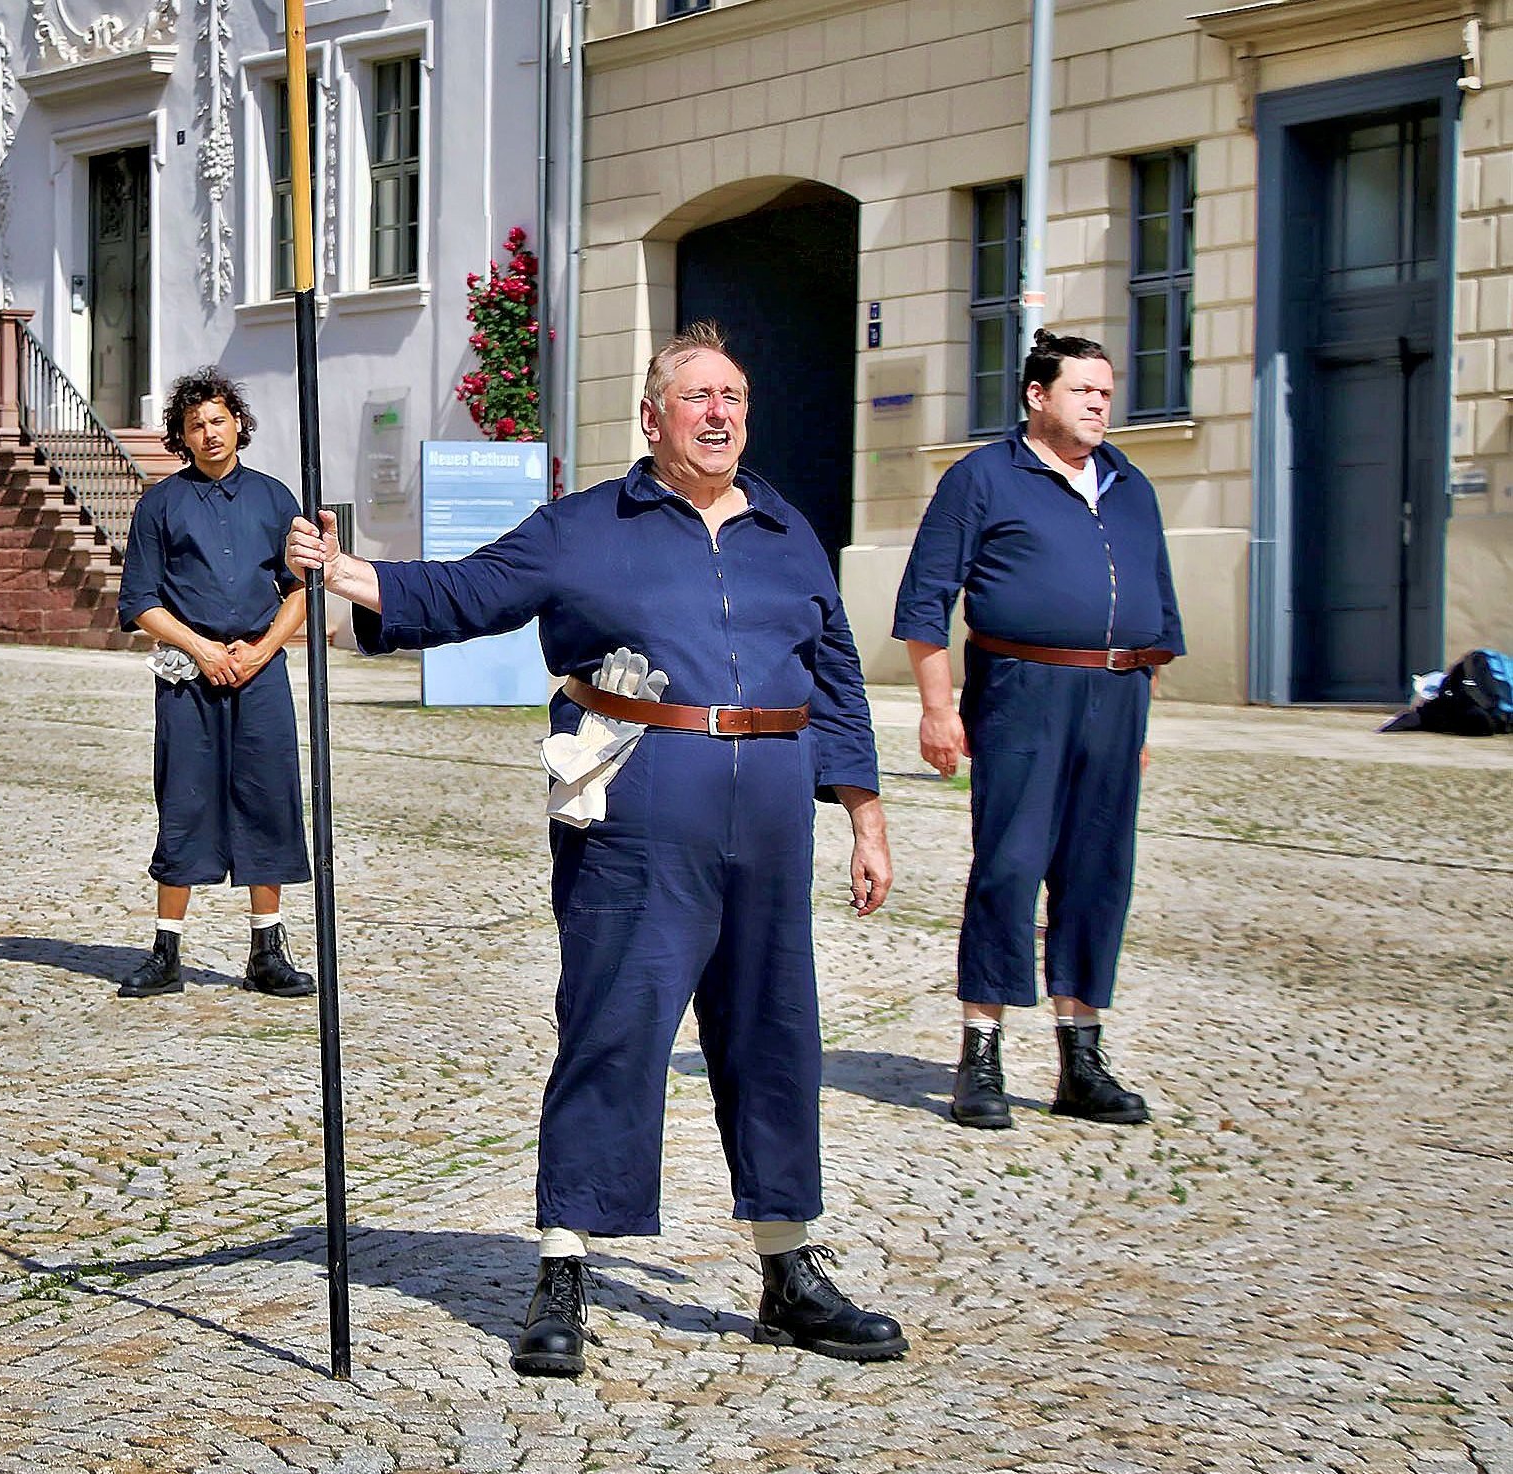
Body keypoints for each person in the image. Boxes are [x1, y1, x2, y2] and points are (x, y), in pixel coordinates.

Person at [286, 321, 907, 1376]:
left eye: (735, 398)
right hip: (636, 814)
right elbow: (470, 592)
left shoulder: (785, 531)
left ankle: (788, 1269)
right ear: (652, 418)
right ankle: (563, 1267)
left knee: (774, 1036)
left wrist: (864, 811)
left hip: (768, 815)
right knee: (612, 1032)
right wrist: (346, 572)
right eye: (699, 397)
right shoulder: (583, 528)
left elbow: (835, 669)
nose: (720, 415)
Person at [893, 330, 1183, 1131]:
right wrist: (939, 707)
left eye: (1105, 391)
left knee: (1099, 874)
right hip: (1022, 691)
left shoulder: (1130, 484)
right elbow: (926, 603)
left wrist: (1143, 719)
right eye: (1082, 390)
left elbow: (1158, 611)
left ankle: (1080, 1059)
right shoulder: (983, 478)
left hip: (1119, 697)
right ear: (1037, 394)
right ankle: (980, 1054)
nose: (1098, 404)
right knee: (1009, 870)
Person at [111, 368, 317, 1002]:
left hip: (260, 673)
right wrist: (199, 648)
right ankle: (166, 951)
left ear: (238, 424)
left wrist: (260, 652)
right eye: (195, 424)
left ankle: (267, 950)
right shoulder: (160, 505)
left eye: (218, 419)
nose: (209, 433)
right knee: (185, 801)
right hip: (187, 678)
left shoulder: (276, 500)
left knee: (268, 797)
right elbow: (140, 601)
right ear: (181, 435)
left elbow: (302, 590)